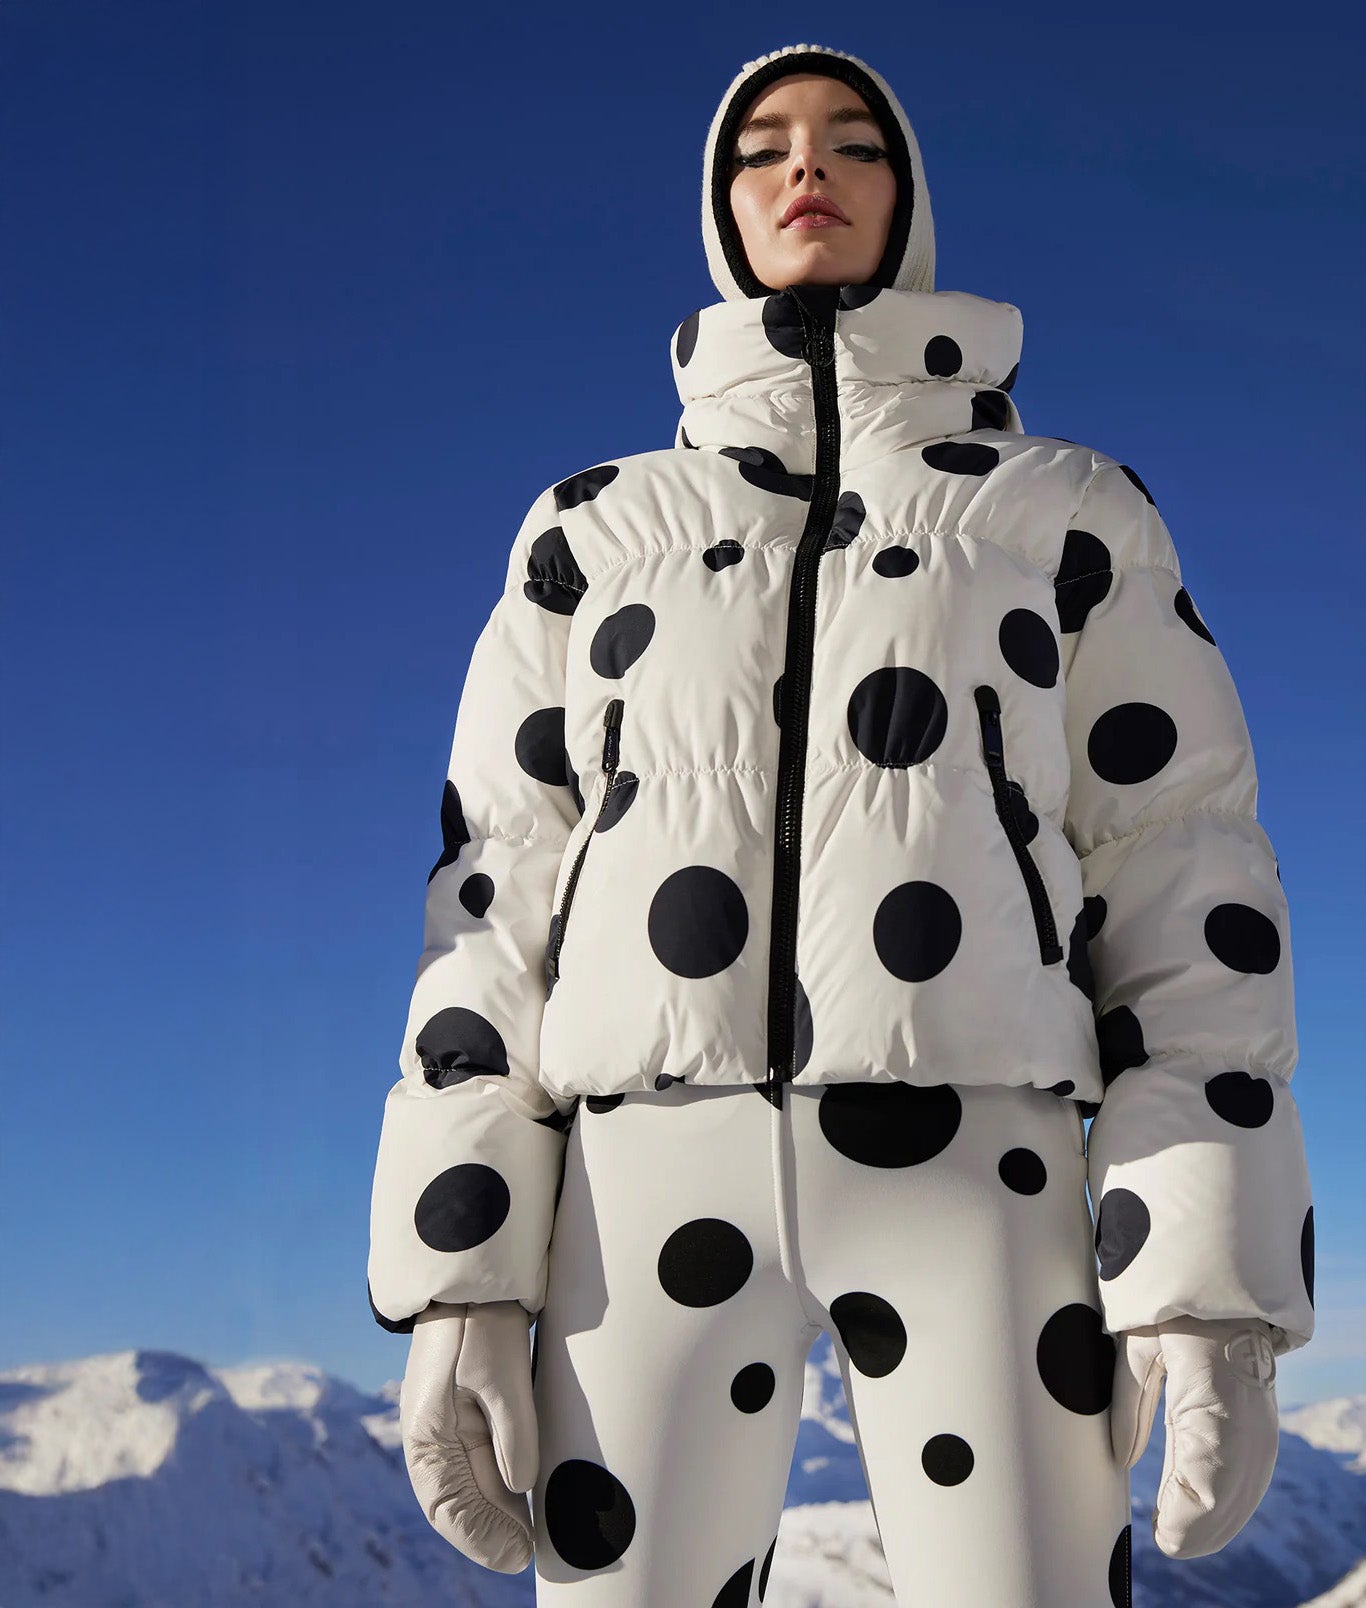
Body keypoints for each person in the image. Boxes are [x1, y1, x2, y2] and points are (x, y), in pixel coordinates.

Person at [366, 41, 1315, 1608]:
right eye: (764, 149)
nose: (805, 168)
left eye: (853, 141)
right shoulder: (589, 531)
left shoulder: (1069, 508)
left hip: (979, 1174)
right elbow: (495, 895)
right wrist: (463, 1266)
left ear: (910, 197)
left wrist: (1204, 1280)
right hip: (639, 1180)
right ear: (722, 211)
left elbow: (1187, 873)